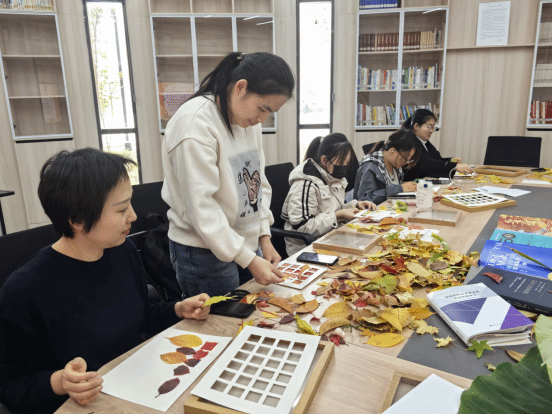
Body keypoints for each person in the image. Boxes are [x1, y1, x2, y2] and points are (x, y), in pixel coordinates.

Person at [0, 148, 211, 413]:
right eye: (121, 209)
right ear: (77, 220)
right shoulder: (23, 290)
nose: (133, 216)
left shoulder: (122, 252)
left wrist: (177, 309)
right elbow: (10, 386)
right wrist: (61, 382)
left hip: (140, 390)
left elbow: (140, 315)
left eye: (130, 203)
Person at [162, 51, 295, 298]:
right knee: (225, 318)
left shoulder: (247, 120)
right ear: (240, 88)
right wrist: (248, 258)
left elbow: (258, 184)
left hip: (243, 244)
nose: (262, 120)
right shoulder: (194, 124)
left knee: (256, 311)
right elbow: (202, 209)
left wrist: (264, 236)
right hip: (203, 250)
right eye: (262, 109)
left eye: (270, 113)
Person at [281, 133, 376, 256]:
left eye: (347, 162)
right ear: (324, 160)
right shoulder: (306, 184)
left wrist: (356, 205)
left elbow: (333, 208)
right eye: (341, 162)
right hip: (306, 248)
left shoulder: (332, 177)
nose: (344, 167)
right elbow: (302, 228)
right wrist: (338, 215)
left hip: (330, 237)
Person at [402, 109, 475, 181]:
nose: (431, 131)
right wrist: (454, 166)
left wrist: (450, 160)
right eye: (428, 127)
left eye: (433, 127)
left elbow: (436, 159)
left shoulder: (424, 141)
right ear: (416, 126)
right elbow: (425, 164)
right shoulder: (409, 142)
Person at [353, 129, 423, 205]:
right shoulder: (370, 166)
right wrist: (399, 188)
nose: (407, 162)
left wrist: (406, 187)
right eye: (406, 158)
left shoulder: (394, 166)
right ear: (392, 150)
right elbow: (365, 198)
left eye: (410, 159)